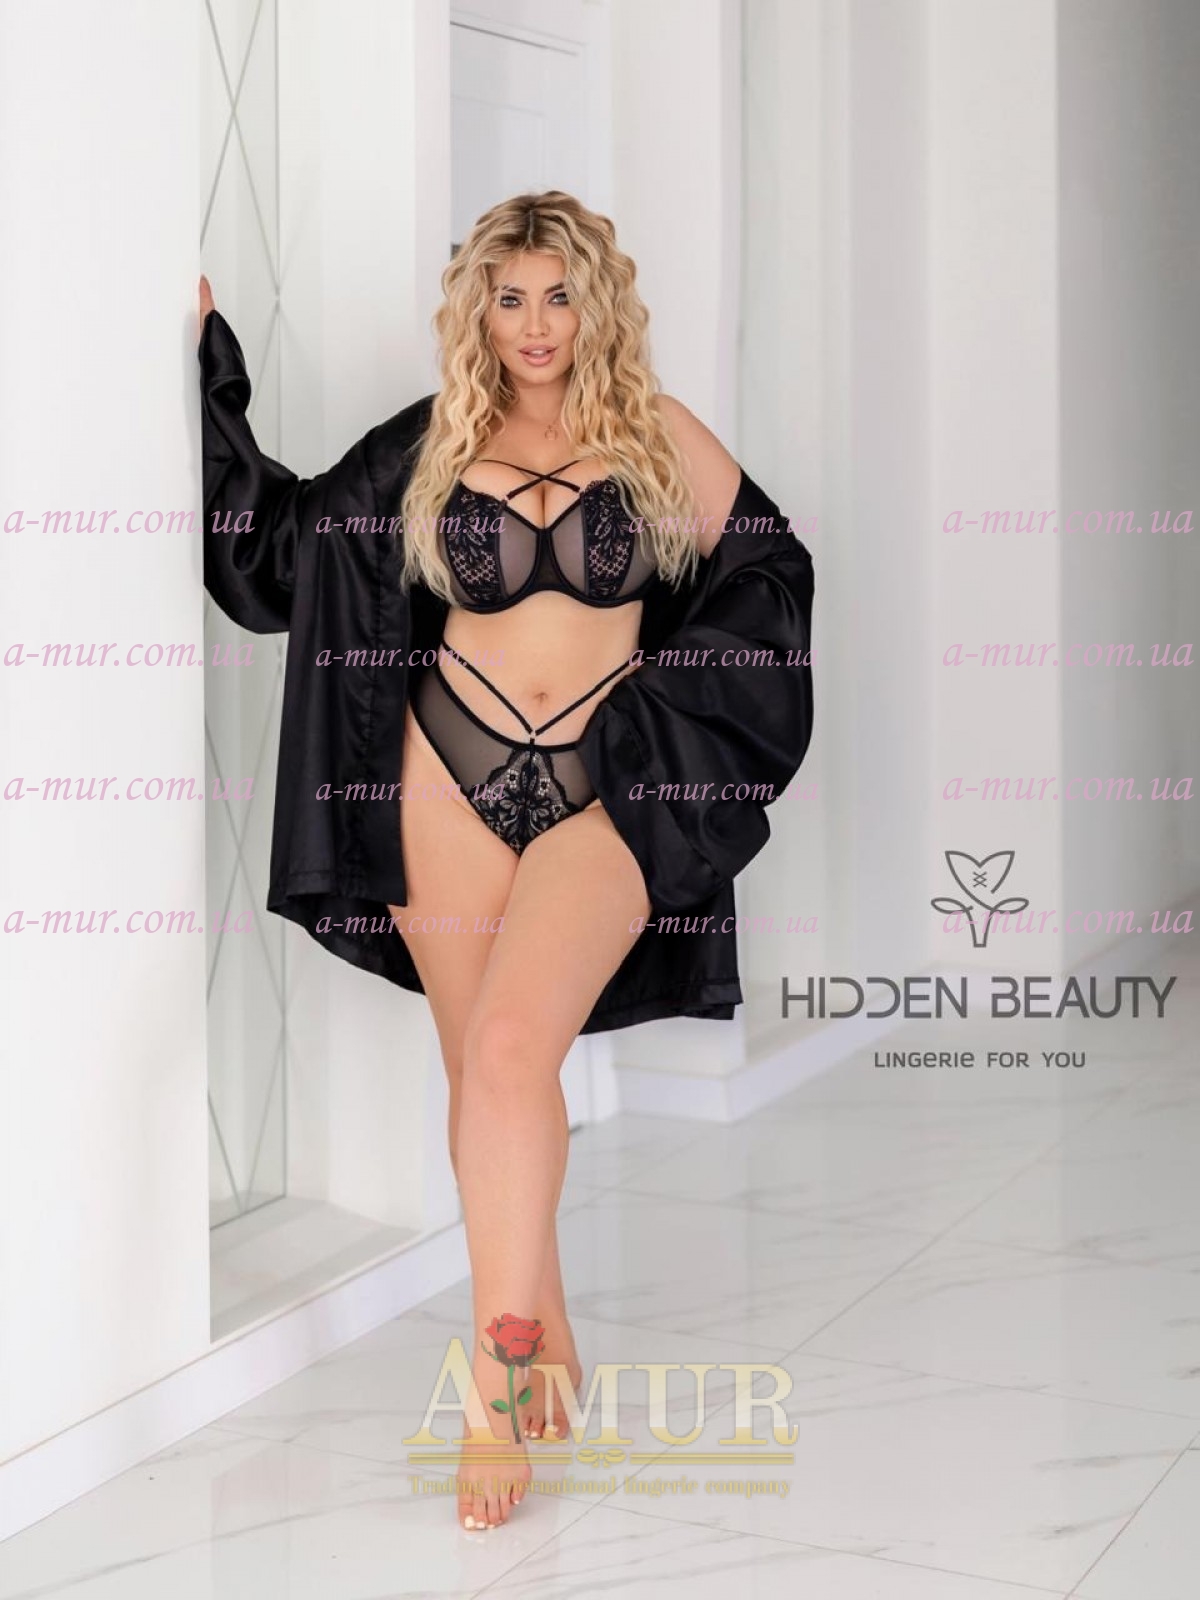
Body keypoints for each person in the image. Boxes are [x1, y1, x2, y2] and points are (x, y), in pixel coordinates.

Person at [197, 189, 815, 1533]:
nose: (536, 324)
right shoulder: (433, 445)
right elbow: (278, 546)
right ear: (480, 310)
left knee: (518, 1046)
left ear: (599, 304)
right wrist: (209, 375)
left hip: (606, 781)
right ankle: (542, 1327)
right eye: (510, 296)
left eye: (559, 295)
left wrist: (672, 705)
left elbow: (774, 571)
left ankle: (492, 1390)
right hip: (445, 778)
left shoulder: (653, 435)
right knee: (484, 1066)